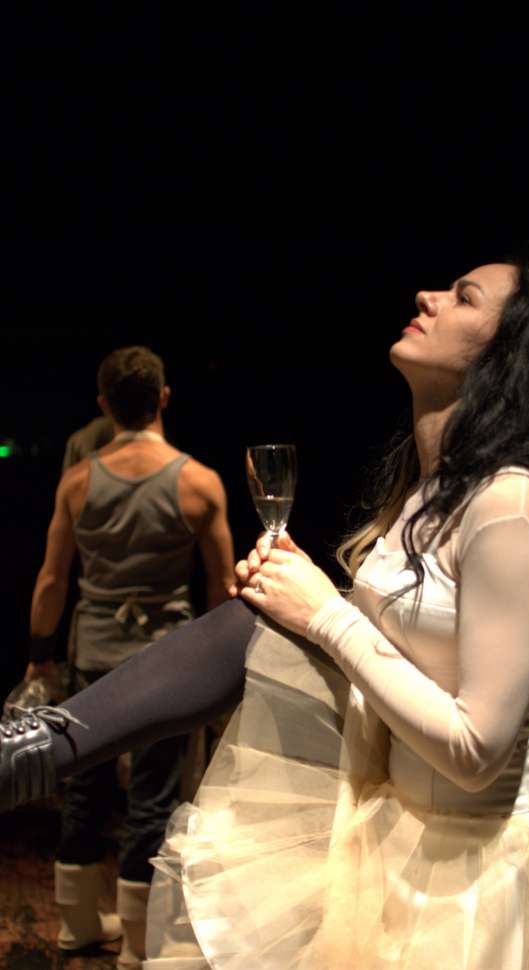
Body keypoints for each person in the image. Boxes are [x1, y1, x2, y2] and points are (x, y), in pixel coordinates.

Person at [1, 256, 529, 970]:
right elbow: (412, 640)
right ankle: (32, 750)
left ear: (508, 355)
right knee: (251, 625)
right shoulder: (433, 489)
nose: (428, 295)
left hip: (476, 870)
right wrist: (295, 598)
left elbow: (477, 750)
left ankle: (33, 753)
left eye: (463, 297)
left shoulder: (514, 502)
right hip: (404, 822)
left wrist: (324, 612)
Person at [22, 346, 236, 968]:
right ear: (163, 398)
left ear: (104, 405)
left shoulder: (77, 482)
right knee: (152, 796)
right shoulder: (199, 482)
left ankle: (77, 927)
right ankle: (137, 946)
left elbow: (51, 581)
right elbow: (224, 590)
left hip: (93, 655)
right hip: (167, 664)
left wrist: (39, 657)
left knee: (83, 790)